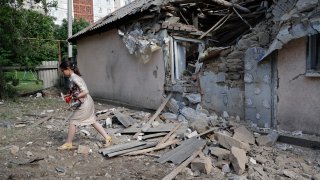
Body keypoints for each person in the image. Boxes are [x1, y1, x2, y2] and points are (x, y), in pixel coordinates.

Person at [58, 60, 112, 150]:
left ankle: (68, 143)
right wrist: (70, 96)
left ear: (68, 69)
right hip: (87, 101)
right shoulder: (73, 77)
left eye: (63, 70)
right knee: (92, 121)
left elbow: (86, 91)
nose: (63, 73)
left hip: (85, 103)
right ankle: (108, 138)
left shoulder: (75, 78)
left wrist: (75, 97)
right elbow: (77, 91)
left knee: (73, 122)